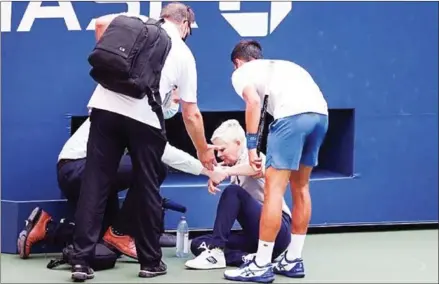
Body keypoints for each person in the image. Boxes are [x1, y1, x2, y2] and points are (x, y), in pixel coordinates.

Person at [70, 2, 216, 281]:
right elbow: (191, 113)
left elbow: (100, 23)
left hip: (104, 108)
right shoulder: (184, 53)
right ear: (185, 24)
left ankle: (80, 262)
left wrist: (118, 71)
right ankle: (150, 263)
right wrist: (202, 150)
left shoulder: (136, 21)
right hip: (145, 118)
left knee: (95, 184)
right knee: (148, 187)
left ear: (163, 16)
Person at [223, 40, 329, 283]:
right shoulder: (286, 66)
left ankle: (261, 264)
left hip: (291, 119)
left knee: (274, 191)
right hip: (321, 117)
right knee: (301, 187)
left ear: (238, 62)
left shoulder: (241, 72)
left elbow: (253, 102)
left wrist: (251, 146)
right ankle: (293, 259)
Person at [184, 119, 291, 270]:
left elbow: (257, 170)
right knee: (198, 243)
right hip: (254, 236)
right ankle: (243, 258)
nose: (219, 155)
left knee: (232, 191)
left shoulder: (254, 157)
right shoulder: (235, 166)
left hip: (279, 231)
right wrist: (216, 173)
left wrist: (225, 172)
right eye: (217, 151)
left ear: (238, 143)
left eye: (222, 149)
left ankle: (216, 253)